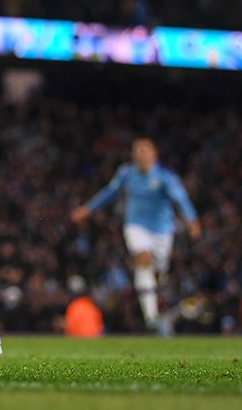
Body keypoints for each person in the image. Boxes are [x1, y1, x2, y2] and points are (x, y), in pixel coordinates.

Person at [72, 137, 201, 332]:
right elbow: (110, 192)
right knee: (143, 258)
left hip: (163, 231)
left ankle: (157, 287)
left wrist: (192, 220)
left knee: (157, 272)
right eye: (136, 152)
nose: (139, 155)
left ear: (153, 154)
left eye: (144, 151)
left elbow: (181, 199)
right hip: (135, 226)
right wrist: (88, 209)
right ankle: (151, 317)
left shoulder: (165, 177)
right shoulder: (126, 174)